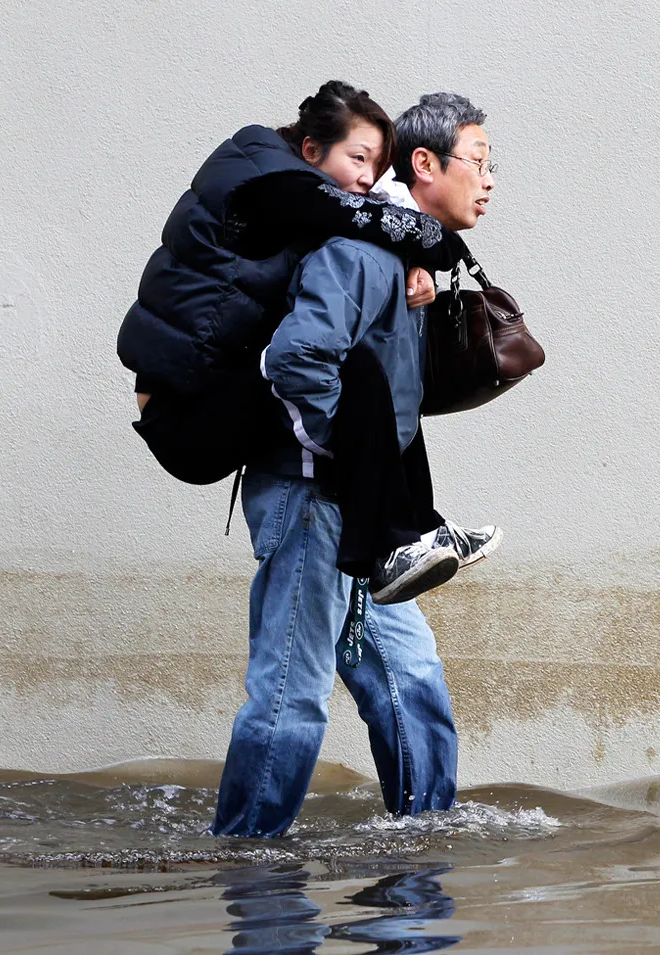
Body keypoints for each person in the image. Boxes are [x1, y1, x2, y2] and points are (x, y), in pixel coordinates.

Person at [210, 91, 498, 838]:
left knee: (412, 682)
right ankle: (246, 866)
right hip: (314, 496)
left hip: (361, 515)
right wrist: (344, 465)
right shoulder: (362, 251)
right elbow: (297, 360)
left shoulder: (404, 258)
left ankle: (421, 854)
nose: (490, 180)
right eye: (480, 162)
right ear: (426, 167)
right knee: (290, 694)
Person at [119, 82, 497, 603]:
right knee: (359, 372)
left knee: (370, 369)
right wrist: (427, 241)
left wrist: (417, 259)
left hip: (212, 392)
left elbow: (351, 219)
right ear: (311, 149)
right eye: (358, 158)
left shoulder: (308, 206)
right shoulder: (263, 175)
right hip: (185, 411)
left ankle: (416, 528)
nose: (367, 178)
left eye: (377, 165)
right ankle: (386, 545)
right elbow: (345, 215)